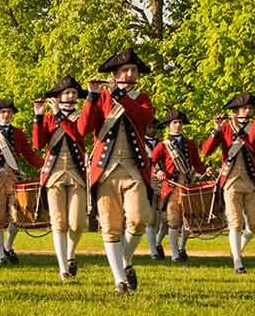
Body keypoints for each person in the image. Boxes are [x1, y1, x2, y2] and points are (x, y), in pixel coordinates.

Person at [79, 49, 155, 294]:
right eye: (125, 71)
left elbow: (144, 118)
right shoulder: (101, 97)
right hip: (105, 170)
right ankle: (119, 280)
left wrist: (119, 94)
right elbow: (83, 129)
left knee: (139, 219)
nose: (130, 74)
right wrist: (91, 97)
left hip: (134, 170)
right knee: (111, 226)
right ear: (115, 74)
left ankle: (125, 260)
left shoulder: (140, 97)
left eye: (133, 70)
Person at [201, 92, 255, 274]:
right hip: (230, 181)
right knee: (235, 222)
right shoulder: (225, 128)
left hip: (251, 182)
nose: (248, 111)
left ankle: (237, 250)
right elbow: (206, 151)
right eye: (244, 108)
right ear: (236, 111)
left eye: (250, 108)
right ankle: (238, 262)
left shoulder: (254, 126)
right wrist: (216, 129)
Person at [33, 77, 90, 281]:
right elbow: (39, 143)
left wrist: (58, 113)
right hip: (54, 172)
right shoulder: (49, 118)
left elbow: (76, 134)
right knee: (59, 222)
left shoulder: (82, 116)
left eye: (74, 92)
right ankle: (63, 268)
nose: (71, 96)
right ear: (58, 96)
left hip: (76, 172)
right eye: (66, 93)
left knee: (77, 223)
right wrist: (38, 117)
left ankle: (70, 254)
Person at [0, 98, 43, 265]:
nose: (6, 115)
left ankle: (8, 246)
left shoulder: (18, 133)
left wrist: (46, 165)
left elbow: (29, 155)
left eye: (9, 112)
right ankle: (0, 255)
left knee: (17, 217)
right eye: (2, 112)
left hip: (14, 181)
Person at [148, 110, 205, 264]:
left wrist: (206, 170)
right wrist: (159, 171)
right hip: (171, 187)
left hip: (186, 186)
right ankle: (174, 255)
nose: (178, 125)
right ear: (168, 126)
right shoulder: (162, 145)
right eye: (174, 122)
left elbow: (198, 165)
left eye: (180, 122)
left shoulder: (190, 144)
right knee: (173, 222)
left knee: (187, 221)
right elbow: (152, 163)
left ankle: (181, 248)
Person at [143, 120, 168, 260]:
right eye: (149, 126)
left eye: (154, 127)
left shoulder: (163, 144)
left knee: (166, 218)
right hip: (148, 181)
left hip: (164, 181)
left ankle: (157, 243)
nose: (152, 129)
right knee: (151, 219)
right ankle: (153, 252)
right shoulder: (140, 143)